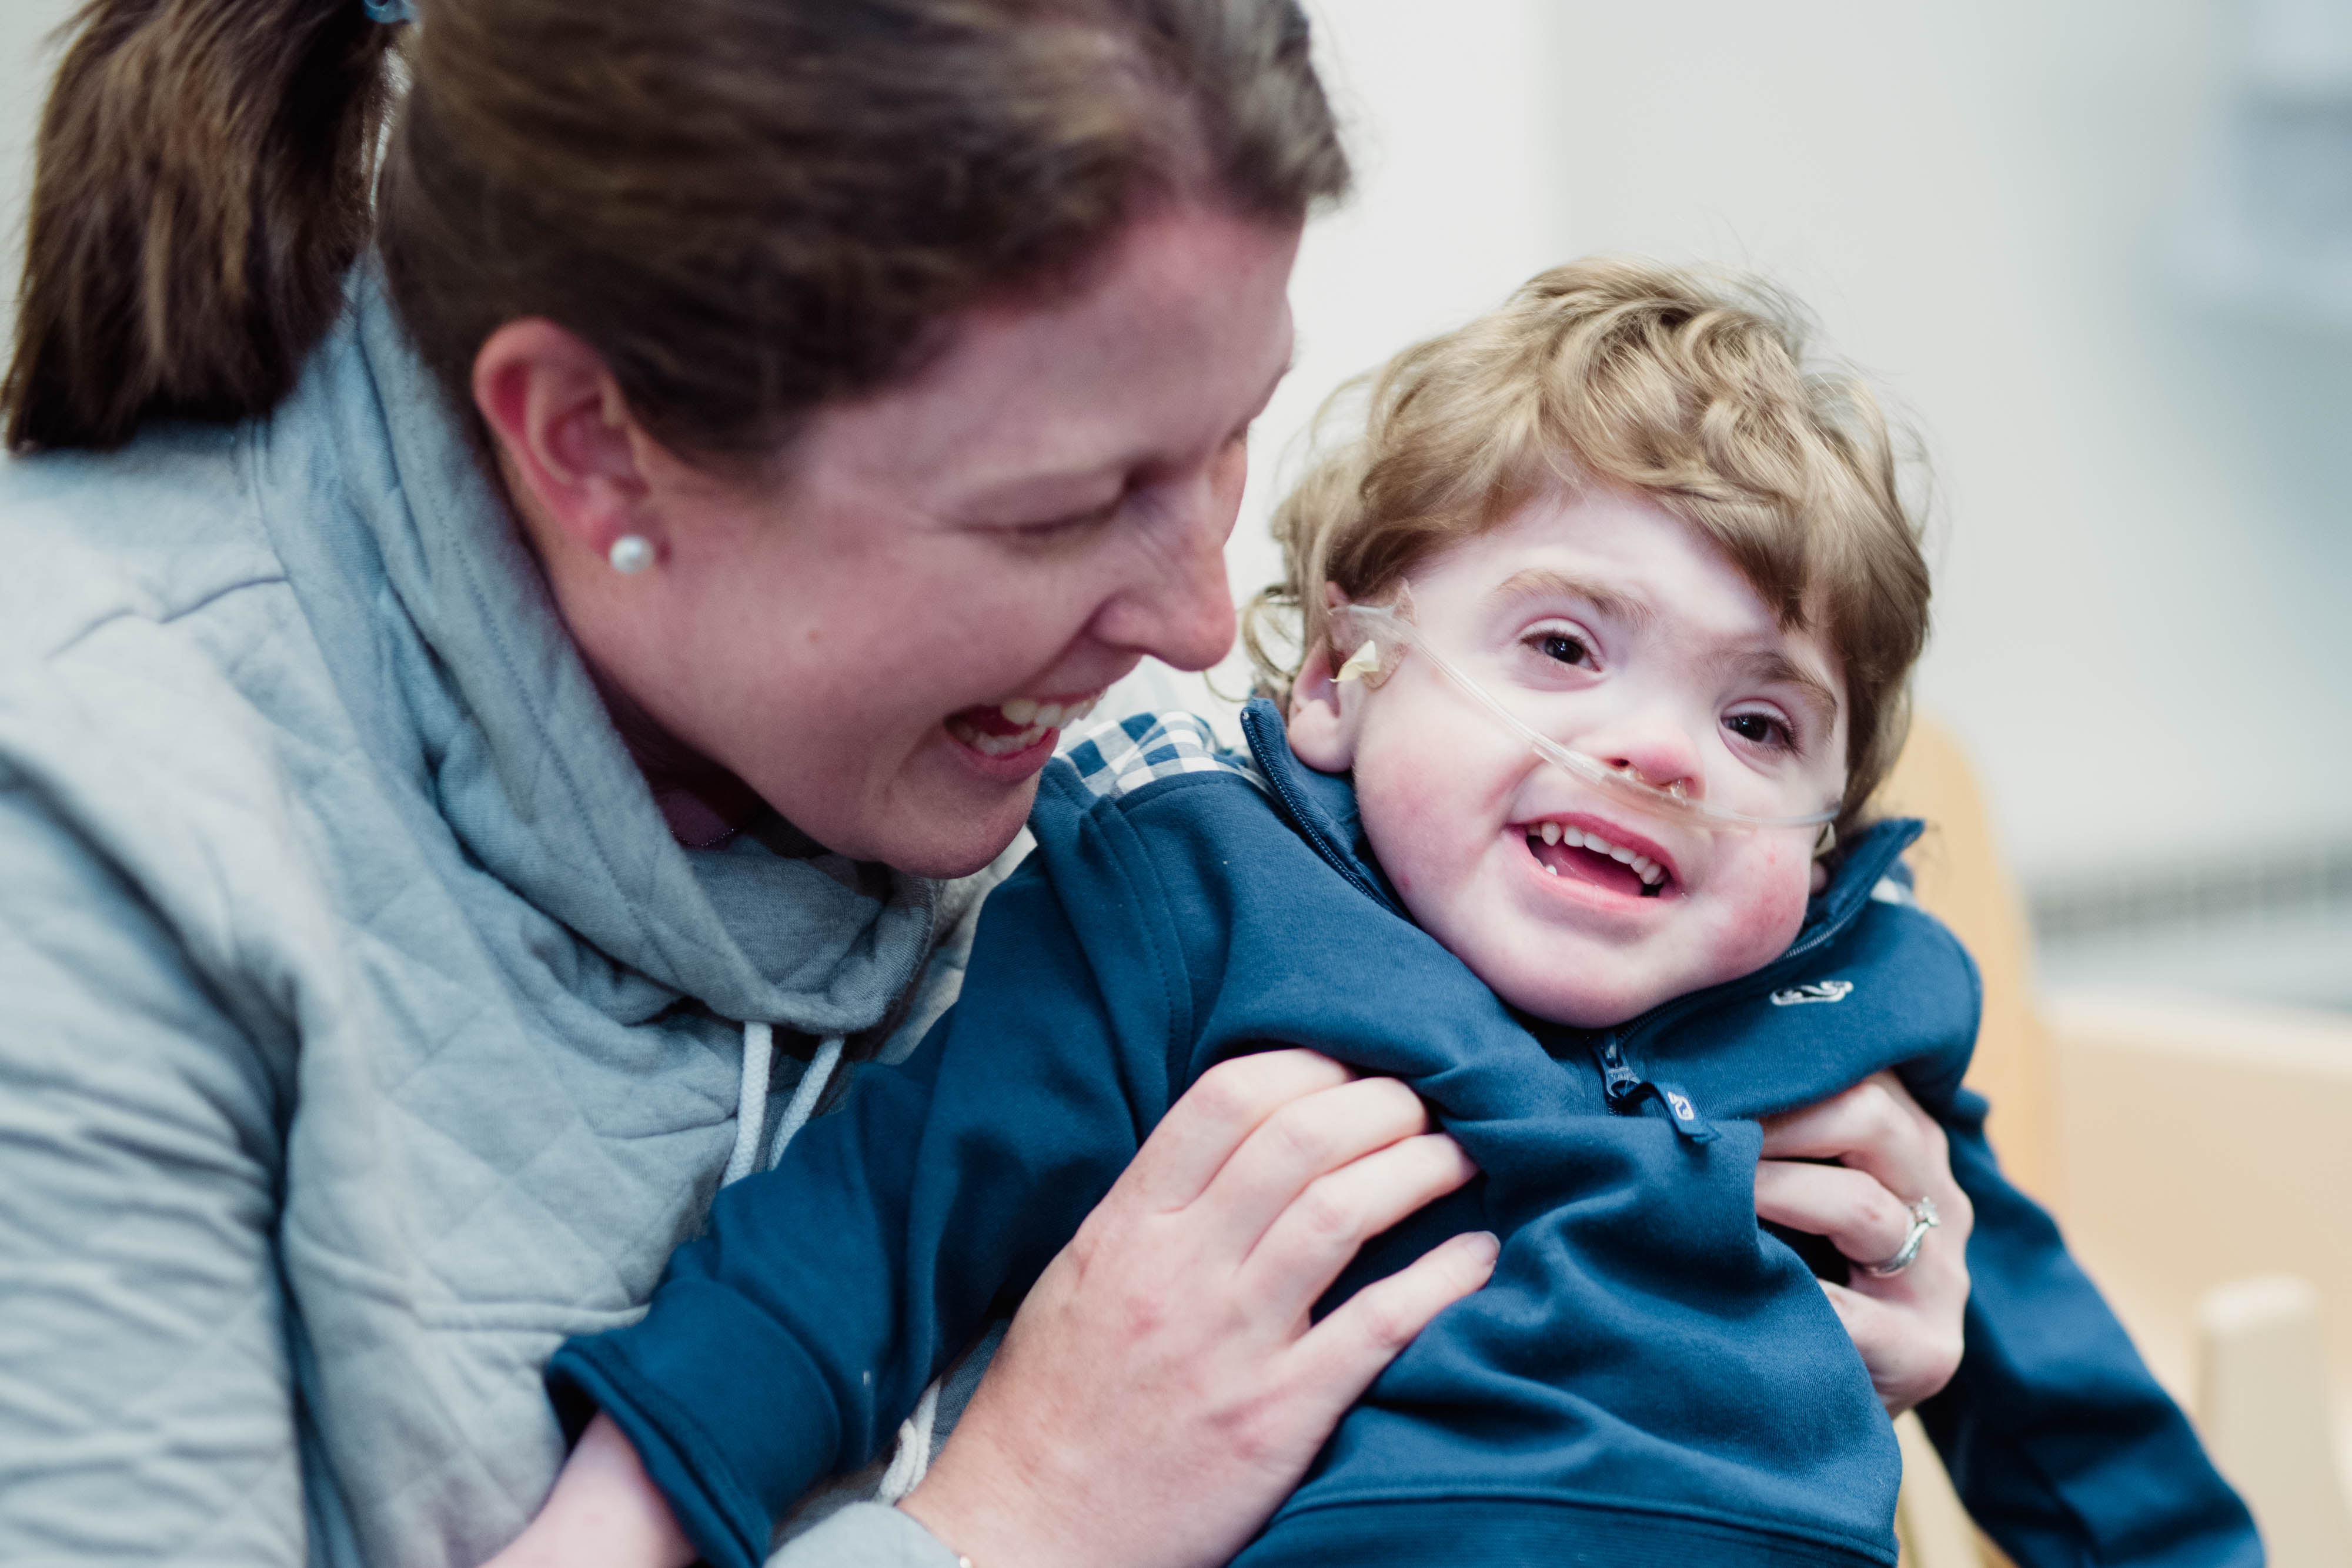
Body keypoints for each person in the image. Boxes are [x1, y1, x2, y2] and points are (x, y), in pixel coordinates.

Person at [0, 4, 1976, 1566]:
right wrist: (1012, 1526)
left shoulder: (1095, 771)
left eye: (1227, 450)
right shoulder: (82, 853)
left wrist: (1767, 1199)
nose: (1208, 625)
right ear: (595, 445)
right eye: (1061, 510)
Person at [499, 262, 2257, 1568]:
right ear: (1341, 676)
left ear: (1825, 831)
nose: (1657, 748)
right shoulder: (1200, 901)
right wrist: (619, 1515)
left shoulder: (1856, 1008)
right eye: (1564, 646)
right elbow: (873, 1224)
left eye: (1760, 719)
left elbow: (2054, 1385)